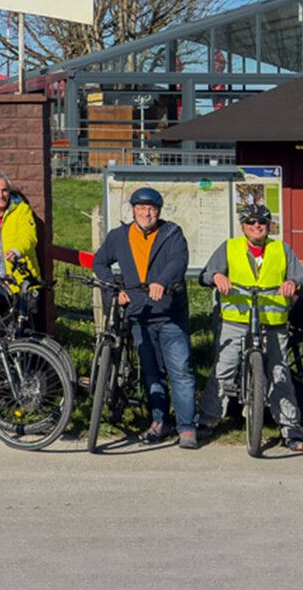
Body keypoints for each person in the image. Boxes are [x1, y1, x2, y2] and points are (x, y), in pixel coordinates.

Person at [92, 187, 199, 449]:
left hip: (169, 313)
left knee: (181, 371)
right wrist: (114, 290)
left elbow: (178, 261)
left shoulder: (172, 233)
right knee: (152, 373)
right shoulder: (119, 236)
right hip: (139, 313)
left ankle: (187, 427)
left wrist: (161, 281)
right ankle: (160, 421)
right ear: (133, 211)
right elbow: (100, 262)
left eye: (151, 209)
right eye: (141, 208)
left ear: (158, 211)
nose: (146, 213)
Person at [197, 204, 303, 452]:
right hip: (236, 320)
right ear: (243, 226)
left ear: (269, 226)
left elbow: (301, 278)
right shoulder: (230, 247)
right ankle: (207, 420)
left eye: (262, 222)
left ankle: (291, 430)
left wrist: (292, 283)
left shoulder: (281, 249)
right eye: (251, 222)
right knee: (223, 369)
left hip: (272, 321)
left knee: (279, 374)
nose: (256, 226)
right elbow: (205, 274)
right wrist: (217, 277)